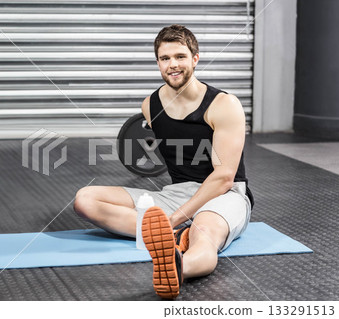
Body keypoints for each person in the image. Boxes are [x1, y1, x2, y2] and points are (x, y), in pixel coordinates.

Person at [73, 24, 253, 299]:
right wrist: (173, 217)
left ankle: (178, 267)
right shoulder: (150, 105)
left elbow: (223, 176)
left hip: (224, 194)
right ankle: (174, 235)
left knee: (203, 235)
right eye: (165, 58)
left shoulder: (223, 105)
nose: (173, 65)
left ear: (195, 58)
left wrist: (174, 218)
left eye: (180, 56)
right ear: (157, 62)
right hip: (177, 193)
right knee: (85, 199)